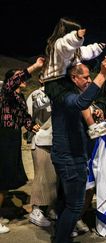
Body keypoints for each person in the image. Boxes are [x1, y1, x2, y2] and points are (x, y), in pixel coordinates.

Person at [50, 57, 106, 243]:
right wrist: (102, 75)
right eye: (85, 77)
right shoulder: (65, 96)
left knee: (66, 202)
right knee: (75, 206)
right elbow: (80, 103)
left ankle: (60, 235)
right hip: (69, 158)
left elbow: (84, 112)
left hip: (72, 155)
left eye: (89, 77)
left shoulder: (70, 94)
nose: (88, 80)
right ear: (73, 78)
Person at [41, 17, 106, 140]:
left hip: (65, 80)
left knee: (81, 98)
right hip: (55, 82)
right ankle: (91, 126)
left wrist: (97, 48)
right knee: (79, 101)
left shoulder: (74, 51)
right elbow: (65, 44)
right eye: (75, 31)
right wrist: (76, 37)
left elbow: (86, 51)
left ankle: (92, 126)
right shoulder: (58, 46)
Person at [0, 57, 45, 234]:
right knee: (1, 179)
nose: (22, 79)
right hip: (3, 135)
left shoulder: (18, 97)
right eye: (18, 76)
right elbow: (11, 83)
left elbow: (22, 116)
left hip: (12, 137)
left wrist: (30, 124)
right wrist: (34, 67)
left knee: (4, 180)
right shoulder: (7, 92)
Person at [26, 78, 57, 228]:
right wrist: (31, 125)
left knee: (53, 179)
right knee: (41, 177)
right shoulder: (36, 94)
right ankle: (36, 210)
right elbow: (29, 114)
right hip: (41, 140)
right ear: (41, 79)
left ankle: (49, 208)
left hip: (56, 140)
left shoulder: (59, 93)